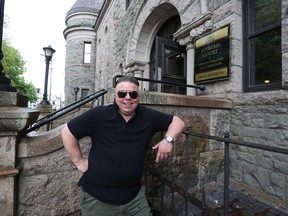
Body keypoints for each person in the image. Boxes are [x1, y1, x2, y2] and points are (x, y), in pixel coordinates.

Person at [61, 76, 185, 216]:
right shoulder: (99, 115)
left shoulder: (148, 117)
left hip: (134, 199)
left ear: (138, 96)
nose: (127, 98)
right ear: (115, 96)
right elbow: (67, 132)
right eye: (122, 94)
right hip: (98, 200)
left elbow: (178, 121)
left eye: (133, 94)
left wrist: (168, 140)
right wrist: (79, 161)